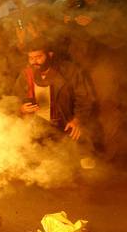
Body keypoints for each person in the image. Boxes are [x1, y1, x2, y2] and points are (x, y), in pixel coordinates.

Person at [14, 38, 95, 168]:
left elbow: (85, 98)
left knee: (84, 165)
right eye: (31, 58)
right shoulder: (26, 74)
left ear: (50, 55)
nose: (34, 61)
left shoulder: (69, 71)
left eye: (39, 57)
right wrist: (21, 108)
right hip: (38, 127)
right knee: (31, 166)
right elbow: (15, 98)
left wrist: (77, 120)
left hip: (66, 124)